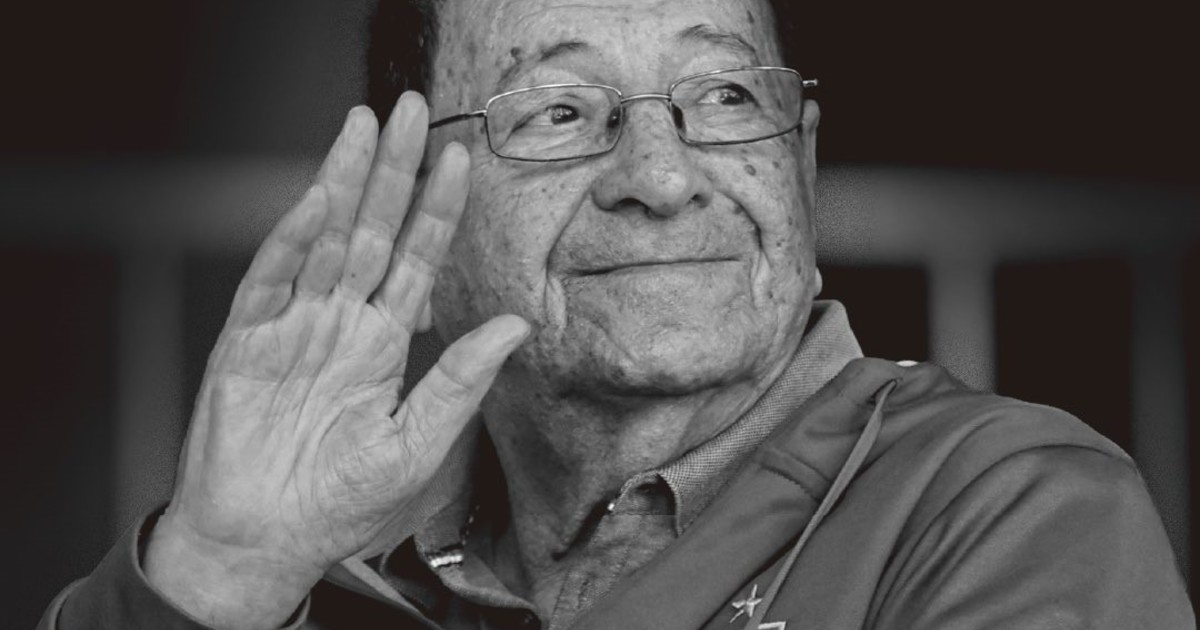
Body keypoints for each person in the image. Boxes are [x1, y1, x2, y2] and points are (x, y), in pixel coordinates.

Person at [40, 0, 1194, 628]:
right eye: (556, 110)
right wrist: (212, 582)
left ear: (800, 167)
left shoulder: (1010, 507)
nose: (663, 174)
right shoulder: (315, 579)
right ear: (415, 223)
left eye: (726, 94)